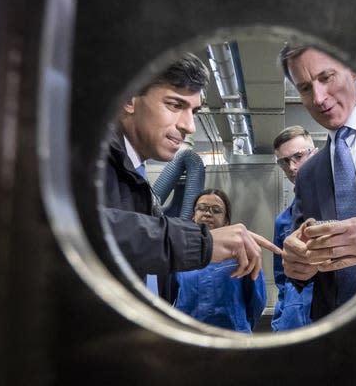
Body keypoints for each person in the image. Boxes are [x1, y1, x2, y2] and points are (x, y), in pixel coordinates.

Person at [102, 52, 280, 302]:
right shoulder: (87, 160)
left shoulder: (134, 175)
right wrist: (201, 243)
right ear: (129, 99)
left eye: (194, 111)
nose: (189, 126)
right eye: (175, 105)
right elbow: (88, 229)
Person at [279, 45, 356, 320]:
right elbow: (302, 244)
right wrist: (296, 262)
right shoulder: (309, 173)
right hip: (337, 330)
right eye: (305, 88)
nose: (319, 98)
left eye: (326, 78)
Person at [174, 189, 267, 333]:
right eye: (201, 208)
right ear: (193, 215)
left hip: (233, 338)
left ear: (226, 221)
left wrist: (241, 326)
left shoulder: (242, 253)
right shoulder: (180, 253)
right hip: (188, 336)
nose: (207, 213)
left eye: (216, 210)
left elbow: (257, 301)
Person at [270, 126, 317, 331]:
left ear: (314, 154)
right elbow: (282, 280)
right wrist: (280, 321)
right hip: (292, 323)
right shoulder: (282, 221)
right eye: (284, 161)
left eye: (298, 156)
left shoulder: (341, 205)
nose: (292, 167)